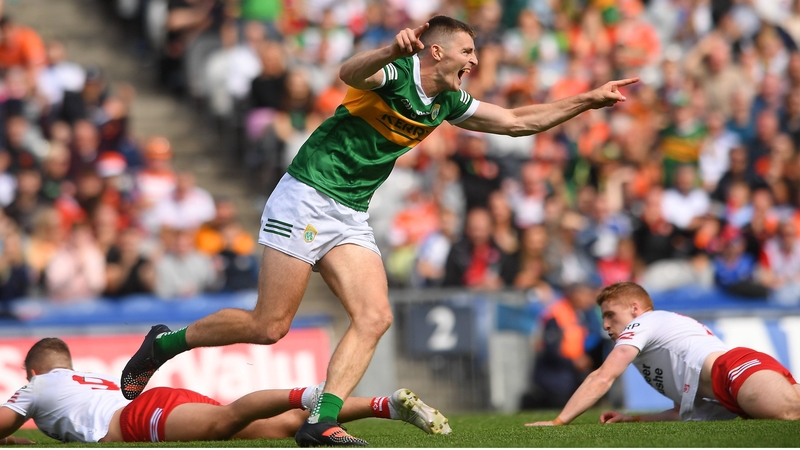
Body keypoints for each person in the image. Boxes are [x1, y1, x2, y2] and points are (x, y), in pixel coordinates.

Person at [121, 15, 637, 447]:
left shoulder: (448, 101)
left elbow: (518, 121)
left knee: (374, 316)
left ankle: (320, 422)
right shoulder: (394, 73)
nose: (475, 61)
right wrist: (390, 49)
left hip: (350, 211)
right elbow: (349, 72)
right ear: (436, 51)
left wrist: (587, 100)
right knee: (269, 325)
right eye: (467, 51)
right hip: (307, 195)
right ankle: (167, 343)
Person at [0, 338, 450, 444]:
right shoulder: (80, 378)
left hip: (137, 421)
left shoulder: (36, 385)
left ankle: (312, 395)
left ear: (33, 369)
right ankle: (387, 406)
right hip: (156, 402)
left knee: (226, 419)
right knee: (275, 429)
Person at [526, 281, 800, 426]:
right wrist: (634, 419)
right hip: (735, 380)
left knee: (790, 413)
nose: (605, 325)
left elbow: (602, 378)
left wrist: (559, 421)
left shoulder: (643, 323)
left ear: (635, 309)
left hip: (733, 370)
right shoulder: (652, 343)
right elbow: (682, 412)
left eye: (610, 314)